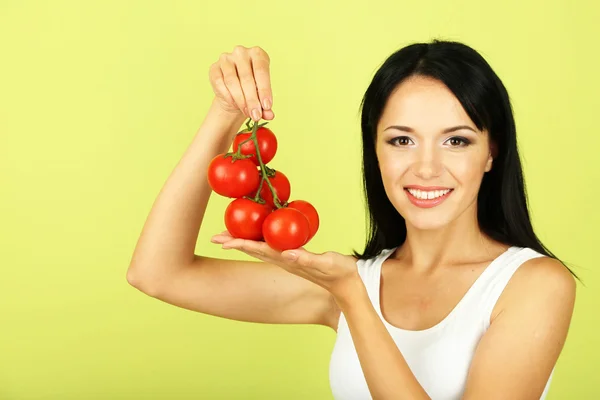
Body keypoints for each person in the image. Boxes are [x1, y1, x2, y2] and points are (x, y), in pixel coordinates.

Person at [126, 39, 578, 399]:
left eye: (456, 141)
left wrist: (354, 300)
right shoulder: (352, 279)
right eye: (401, 141)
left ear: (491, 153)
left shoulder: (532, 284)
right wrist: (227, 112)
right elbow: (157, 273)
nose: (425, 168)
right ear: (374, 152)